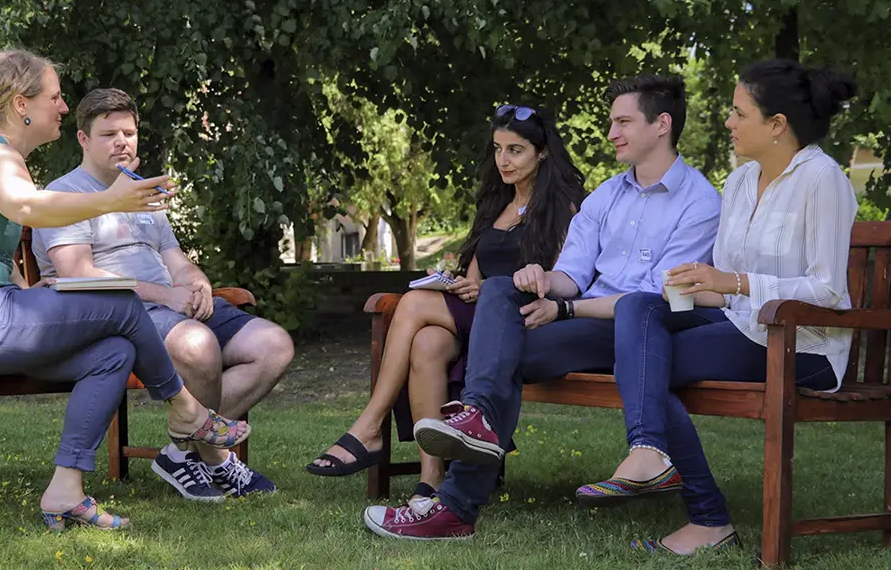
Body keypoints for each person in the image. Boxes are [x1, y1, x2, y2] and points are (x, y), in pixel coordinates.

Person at [363, 75, 723, 540]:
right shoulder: (606, 196)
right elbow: (570, 277)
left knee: (501, 360)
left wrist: (566, 311)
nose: (611, 132)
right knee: (499, 291)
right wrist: (540, 278)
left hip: (644, 334)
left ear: (662, 125)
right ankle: (475, 422)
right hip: (587, 327)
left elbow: (655, 300)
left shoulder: (699, 201)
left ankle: (454, 506)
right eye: (611, 121)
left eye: (623, 122)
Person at [0, 50, 249, 531]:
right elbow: (26, 208)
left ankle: (65, 490)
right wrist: (107, 199)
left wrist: (28, 291)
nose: (64, 108)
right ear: (21, 103)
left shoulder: (3, 158)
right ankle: (187, 411)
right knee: (120, 300)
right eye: (55, 97)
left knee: (111, 351)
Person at [575, 59, 858, 555]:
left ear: (777, 125)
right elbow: (725, 291)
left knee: (644, 367)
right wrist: (689, 287)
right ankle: (647, 452)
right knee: (640, 307)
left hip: (802, 344)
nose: (727, 121)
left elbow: (828, 290)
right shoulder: (742, 182)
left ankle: (707, 518)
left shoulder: (822, 179)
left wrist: (734, 281)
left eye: (737, 112)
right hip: (741, 323)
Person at [307, 104, 587, 501]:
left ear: (542, 153)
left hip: (524, 319)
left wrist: (496, 288)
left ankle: (369, 427)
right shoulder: (497, 206)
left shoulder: (567, 209)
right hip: (481, 314)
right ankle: (431, 480)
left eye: (515, 150)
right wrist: (464, 287)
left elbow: (564, 279)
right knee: (427, 343)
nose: (502, 160)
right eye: (497, 149)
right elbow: (473, 278)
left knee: (414, 304)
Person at [33, 88, 292, 500]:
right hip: (115, 313)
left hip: (171, 304)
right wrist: (165, 295)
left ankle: (181, 451)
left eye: (130, 132)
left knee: (273, 345)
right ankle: (217, 459)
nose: (122, 141)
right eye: (109, 134)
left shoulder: (142, 190)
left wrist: (196, 281)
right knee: (199, 344)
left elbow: (173, 256)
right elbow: (76, 273)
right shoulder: (63, 196)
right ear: (82, 139)